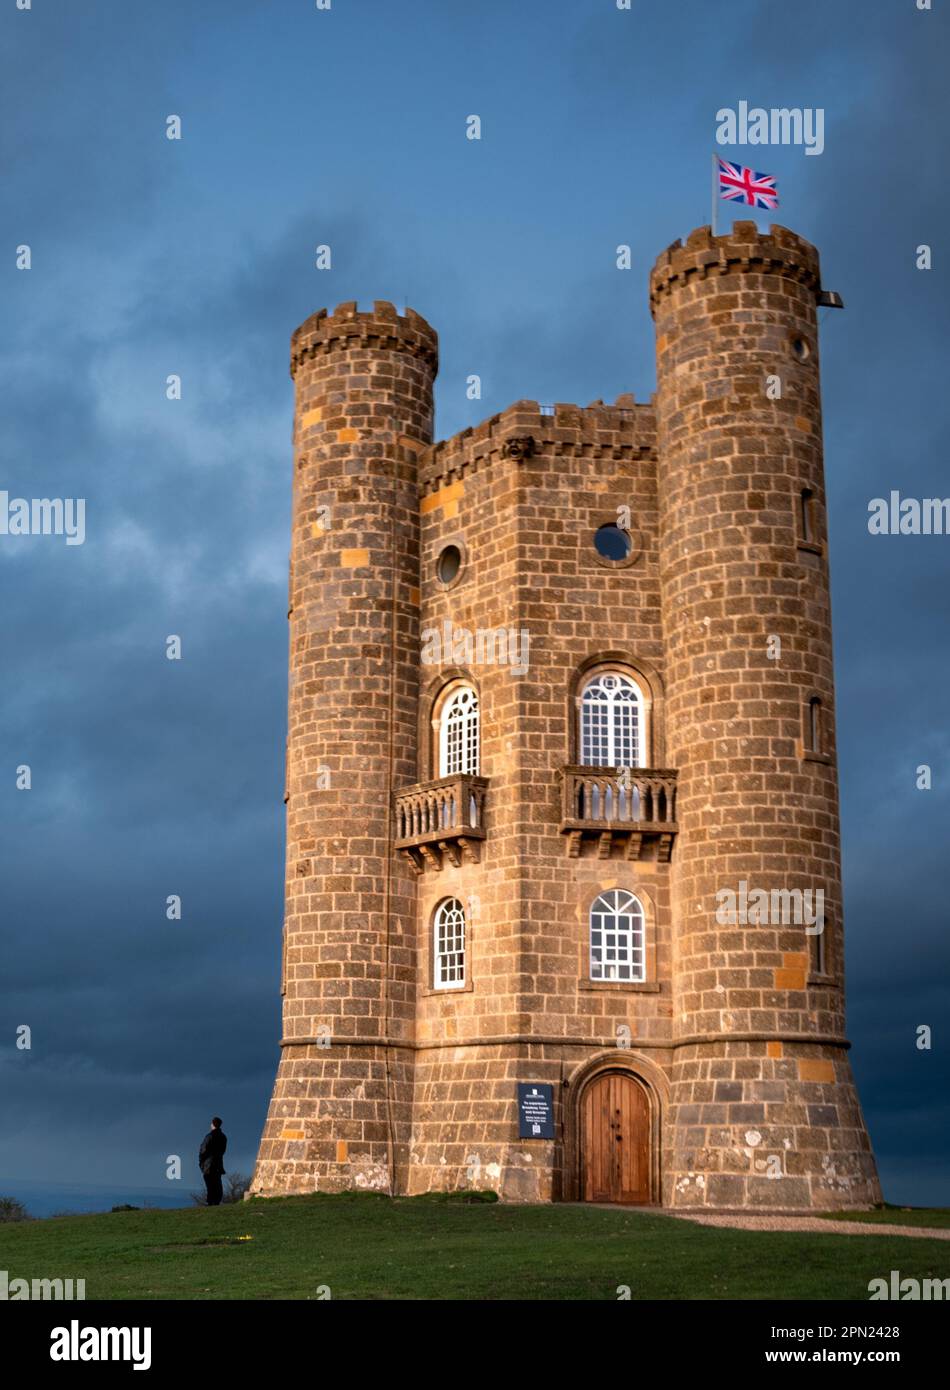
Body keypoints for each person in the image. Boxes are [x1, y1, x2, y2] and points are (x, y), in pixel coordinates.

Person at [199, 1116, 227, 1206]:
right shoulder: (223, 1137)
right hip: (218, 1163)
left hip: (209, 1164)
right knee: (217, 1183)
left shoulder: (209, 1136)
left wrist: (201, 1163)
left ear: (213, 1124)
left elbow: (203, 1150)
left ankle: (210, 1201)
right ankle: (217, 1200)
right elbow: (223, 1150)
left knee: (210, 1183)